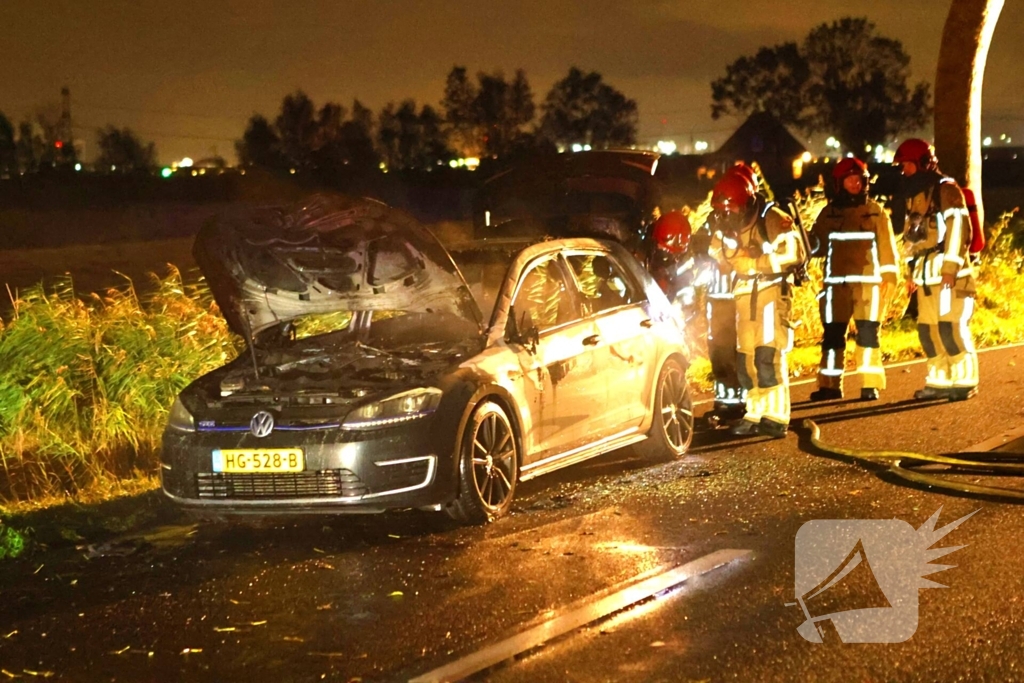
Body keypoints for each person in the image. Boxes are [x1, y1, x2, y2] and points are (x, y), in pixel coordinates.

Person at [707, 173, 806, 437]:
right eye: (723, 210)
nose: (729, 214)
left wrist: (753, 263)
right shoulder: (725, 225)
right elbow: (716, 253)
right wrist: (728, 253)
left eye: (733, 208)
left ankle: (775, 416)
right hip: (743, 297)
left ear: (747, 202)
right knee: (746, 361)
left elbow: (793, 253)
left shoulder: (772, 218)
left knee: (767, 357)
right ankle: (754, 413)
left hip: (772, 294)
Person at [808, 158, 899, 401]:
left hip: (868, 284)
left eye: (859, 179)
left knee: (868, 334)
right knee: (832, 335)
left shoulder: (875, 212)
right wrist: (805, 240)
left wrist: (890, 277)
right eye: (849, 180)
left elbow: (887, 248)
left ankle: (870, 384)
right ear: (839, 184)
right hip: (835, 285)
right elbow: (815, 247)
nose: (855, 183)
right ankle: (829, 385)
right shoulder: (828, 214)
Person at [894, 139, 979, 401]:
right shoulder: (915, 195)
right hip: (926, 278)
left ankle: (965, 381)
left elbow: (958, 231)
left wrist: (950, 269)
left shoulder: (946, 190)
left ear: (922, 163)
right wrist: (911, 275)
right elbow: (913, 239)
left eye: (907, 164)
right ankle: (939, 381)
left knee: (949, 329)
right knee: (928, 332)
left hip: (947, 279)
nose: (904, 171)